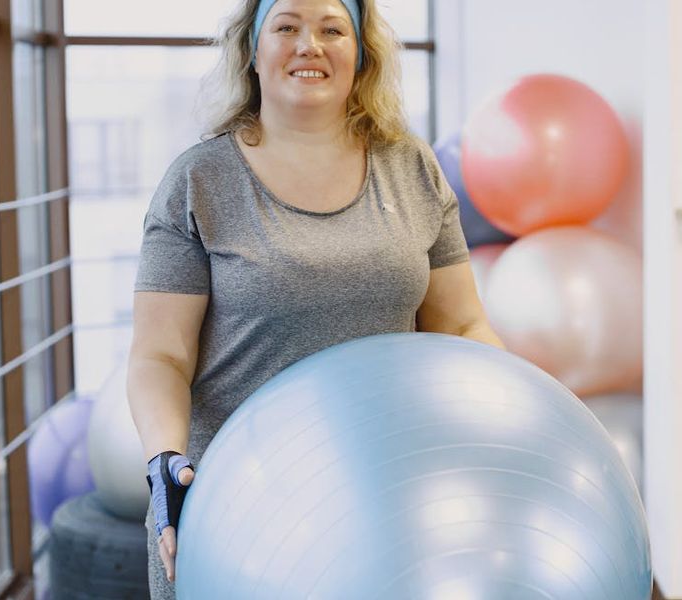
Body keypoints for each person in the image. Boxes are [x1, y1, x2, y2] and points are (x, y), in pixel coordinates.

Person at [127, 0, 505, 597]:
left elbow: (460, 327)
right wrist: (163, 460)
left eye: (333, 29)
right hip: (239, 504)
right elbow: (160, 356)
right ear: (253, 51)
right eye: (286, 27)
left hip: (386, 501)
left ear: (362, 55)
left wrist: (507, 412)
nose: (311, 45)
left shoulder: (411, 168)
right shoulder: (198, 181)